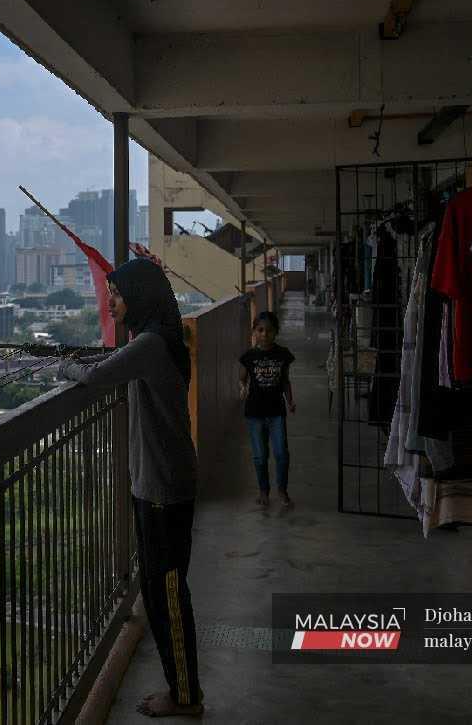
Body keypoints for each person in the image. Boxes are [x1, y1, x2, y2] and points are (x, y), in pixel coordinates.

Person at [57, 256, 203, 718]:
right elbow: (112, 361)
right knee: (160, 590)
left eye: (116, 294)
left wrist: (60, 368)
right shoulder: (154, 341)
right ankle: (180, 687)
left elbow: (98, 375)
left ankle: (185, 695)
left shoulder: (152, 344)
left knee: (167, 595)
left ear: (137, 296)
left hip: (163, 487)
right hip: (157, 484)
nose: (111, 302)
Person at [239, 311, 296, 508]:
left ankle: (282, 490)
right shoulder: (249, 356)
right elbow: (243, 377)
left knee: (281, 453)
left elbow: (286, 381)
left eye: (269, 331)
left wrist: (290, 401)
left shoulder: (282, 355)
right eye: (260, 330)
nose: (265, 334)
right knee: (260, 456)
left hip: (276, 412)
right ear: (254, 332)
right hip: (254, 412)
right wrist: (243, 388)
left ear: (276, 332)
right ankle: (264, 491)